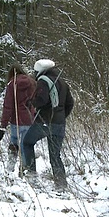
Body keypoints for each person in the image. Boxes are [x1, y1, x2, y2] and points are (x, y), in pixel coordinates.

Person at [22, 59, 74, 190]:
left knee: (27, 143)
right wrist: (61, 117)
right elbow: (70, 103)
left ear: (38, 70)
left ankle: (31, 175)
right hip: (59, 124)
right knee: (55, 155)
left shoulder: (43, 81)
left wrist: (31, 102)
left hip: (44, 122)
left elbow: (41, 100)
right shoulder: (62, 82)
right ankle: (61, 185)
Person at [0, 64, 36, 173]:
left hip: (17, 121)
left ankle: (10, 169)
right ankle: (27, 170)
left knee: (14, 144)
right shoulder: (32, 83)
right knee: (26, 146)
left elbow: (8, 106)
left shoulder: (12, 85)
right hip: (30, 119)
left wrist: (3, 126)